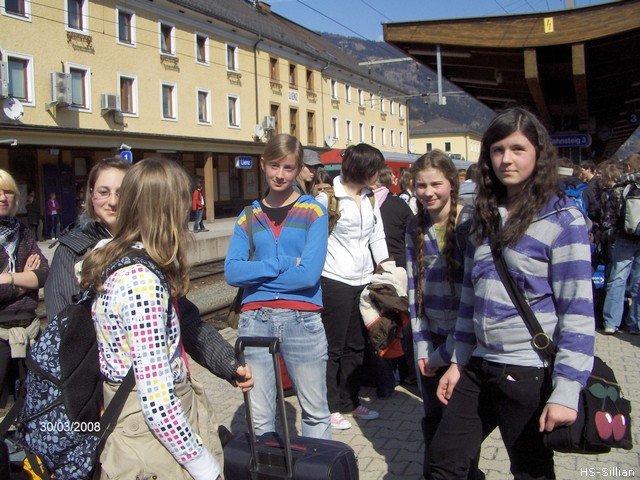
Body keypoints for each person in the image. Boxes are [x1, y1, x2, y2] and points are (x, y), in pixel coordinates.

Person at [431, 107, 594, 479]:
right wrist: (457, 361)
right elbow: (470, 298)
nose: (507, 159)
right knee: (443, 462)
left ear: (538, 154)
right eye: (498, 149)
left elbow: (578, 311)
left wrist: (567, 389)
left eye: (518, 149)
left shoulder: (563, 220)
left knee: (530, 471)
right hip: (478, 365)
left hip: (527, 371)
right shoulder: (481, 217)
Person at [45, 157, 252, 391]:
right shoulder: (73, 251)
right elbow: (66, 336)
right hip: (109, 391)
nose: (113, 201)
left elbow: (185, 319)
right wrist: (90, 397)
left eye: (121, 193)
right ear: (90, 196)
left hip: (154, 385)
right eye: (104, 192)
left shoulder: (148, 249)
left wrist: (229, 363)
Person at [80, 157, 221, 479]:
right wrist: (203, 465)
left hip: (132, 421)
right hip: (150, 439)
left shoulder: (113, 258)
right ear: (166, 211)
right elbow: (158, 403)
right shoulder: (142, 284)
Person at [225, 133, 331, 439]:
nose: (280, 174)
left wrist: (255, 277)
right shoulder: (248, 216)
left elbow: (308, 275)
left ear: (298, 169)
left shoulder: (314, 211)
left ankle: (315, 465)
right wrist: (280, 263)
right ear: (263, 165)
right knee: (260, 416)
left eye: (288, 167)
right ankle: (267, 464)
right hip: (255, 321)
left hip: (302, 318)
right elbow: (232, 272)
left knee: (315, 411)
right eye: (274, 166)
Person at [406, 150, 478, 480]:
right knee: (433, 417)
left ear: (452, 183)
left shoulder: (469, 223)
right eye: (421, 186)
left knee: (460, 425)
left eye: (436, 184)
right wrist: (422, 347)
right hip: (431, 334)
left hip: (465, 341)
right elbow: (413, 292)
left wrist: (447, 353)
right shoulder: (414, 226)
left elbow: (473, 294)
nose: (428, 192)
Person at [321, 143, 387, 430]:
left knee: (357, 345)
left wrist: (386, 268)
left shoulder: (370, 198)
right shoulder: (327, 198)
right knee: (333, 346)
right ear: (361, 169)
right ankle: (330, 406)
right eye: (375, 170)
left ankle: (351, 401)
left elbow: (377, 236)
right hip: (334, 279)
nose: (378, 175)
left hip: (363, 280)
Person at [0, 170, 49, 401]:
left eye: (8, 192)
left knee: (30, 401)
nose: (3, 198)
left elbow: (43, 273)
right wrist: (24, 283)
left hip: (29, 331)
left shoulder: (22, 231)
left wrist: (10, 278)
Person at [602, 153, 640, 334]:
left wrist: (611, 234)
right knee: (639, 283)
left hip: (623, 238)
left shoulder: (621, 187)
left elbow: (610, 216)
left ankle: (611, 323)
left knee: (617, 279)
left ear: (629, 168)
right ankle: (635, 324)